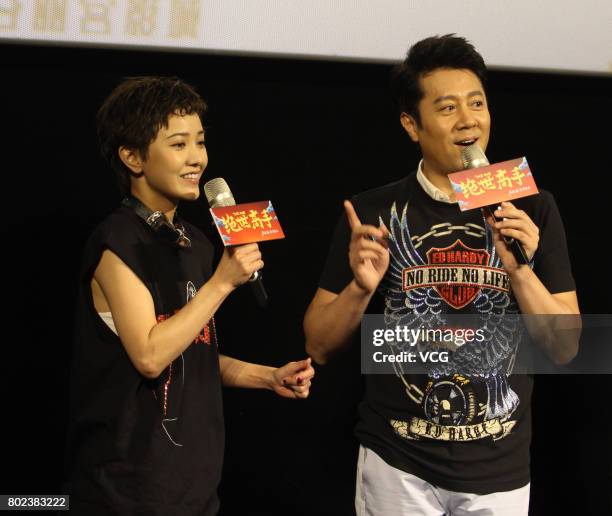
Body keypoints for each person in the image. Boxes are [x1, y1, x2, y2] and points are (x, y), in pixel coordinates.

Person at [304, 35, 579, 515]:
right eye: (448, 107)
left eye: (477, 103)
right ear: (412, 124)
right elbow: (318, 345)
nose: (468, 119)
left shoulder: (532, 206)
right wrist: (359, 289)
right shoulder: (375, 212)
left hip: (499, 470)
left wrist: (521, 271)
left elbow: (566, 346)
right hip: (399, 463)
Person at [63, 76, 314, 515]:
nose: (196, 157)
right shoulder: (116, 241)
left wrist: (267, 377)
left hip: (193, 491)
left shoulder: (195, 242)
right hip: (125, 494)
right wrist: (222, 282)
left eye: (199, 142)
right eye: (178, 144)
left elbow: (193, 353)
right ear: (133, 157)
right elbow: (150, 355)